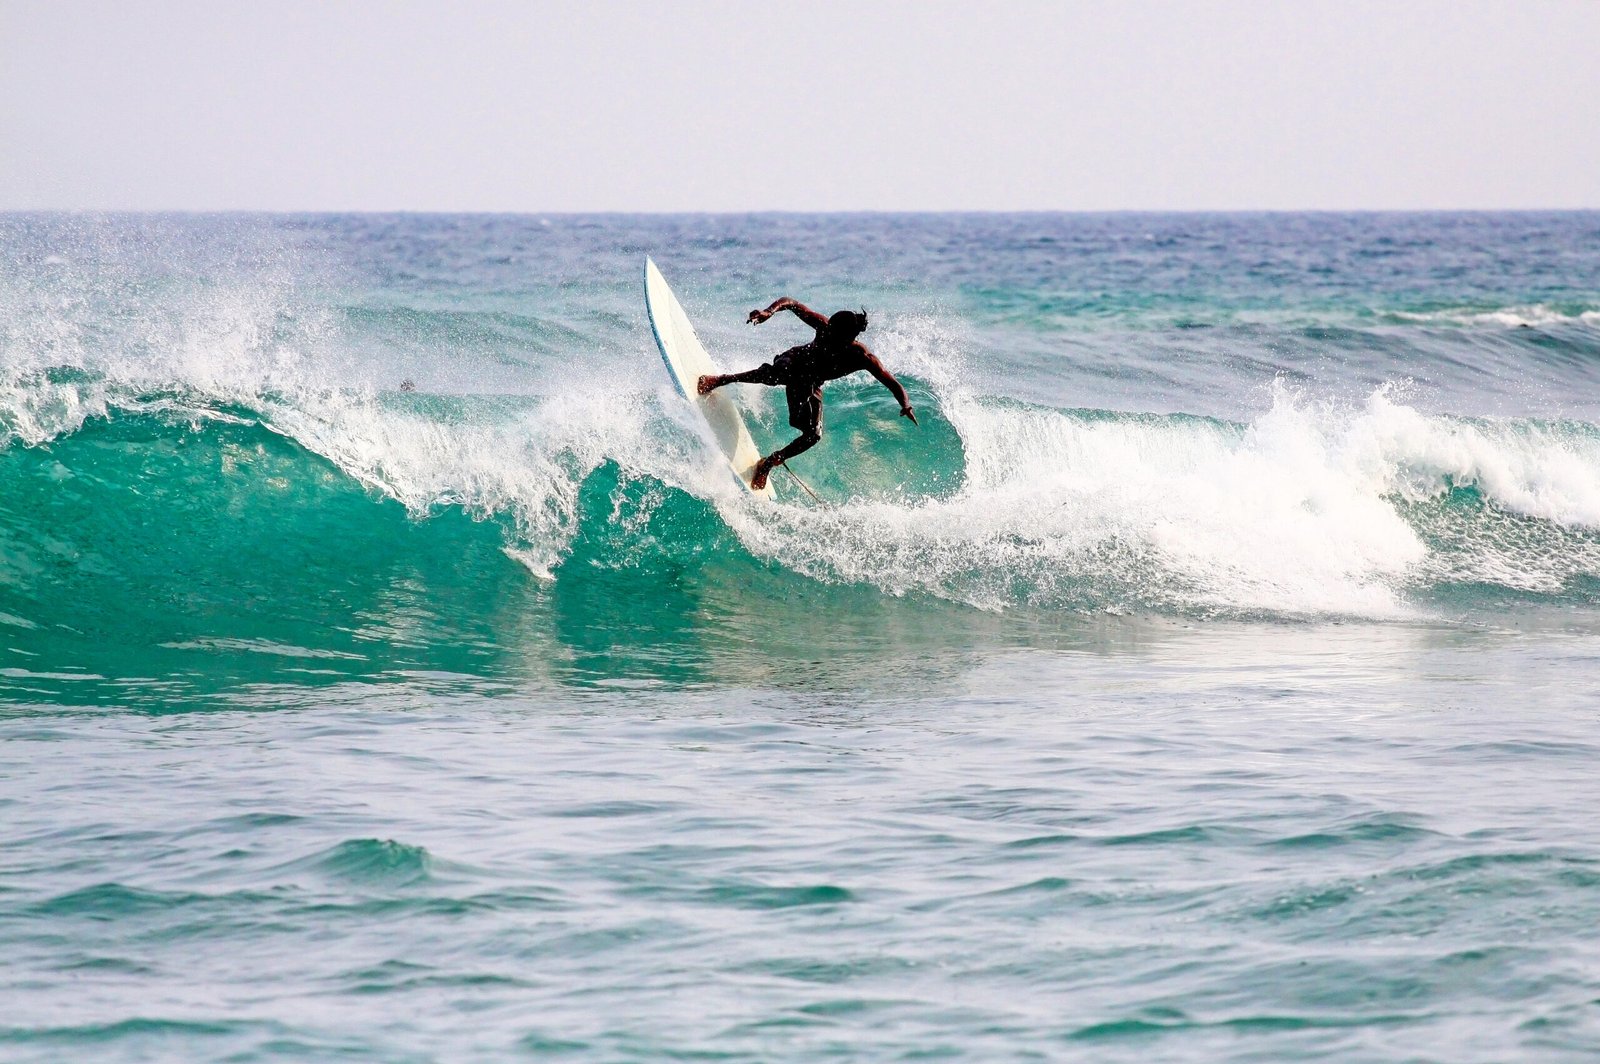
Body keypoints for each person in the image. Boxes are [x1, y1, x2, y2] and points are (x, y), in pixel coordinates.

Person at [697, 298, 917, 489]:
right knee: (776, 374)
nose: (826, 331)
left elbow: (892, 382)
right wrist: (769, 312)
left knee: (813, 435)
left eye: (832, 331)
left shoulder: (862, 357)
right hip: (794, 361)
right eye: (828, 326)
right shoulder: (824, 326)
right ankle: (720, 380)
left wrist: (905, 404)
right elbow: (792, 303)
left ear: (846, 338)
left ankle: (771, 462)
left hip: (810, 383)